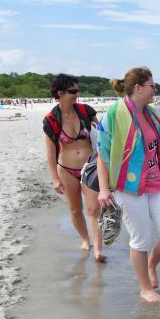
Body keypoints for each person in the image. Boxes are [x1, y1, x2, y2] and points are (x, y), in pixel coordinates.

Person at [96, 67, 160, 302]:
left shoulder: (150, 113)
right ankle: (145, 289)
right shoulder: (114, 114)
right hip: (128, 187)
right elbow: (102, 154)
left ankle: (151, 264)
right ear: (138, 88)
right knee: (141, 239)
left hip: (155, 183)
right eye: (152, 85)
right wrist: (103, 189)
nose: (155, 90)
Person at [42, 74, 105, 261]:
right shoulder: (51, 120)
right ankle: (85, 239)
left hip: (90, 168)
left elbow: (104, 134)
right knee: (76, 210)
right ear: (60, 93)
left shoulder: (86, 111)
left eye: (78, 90)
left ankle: (98, 250)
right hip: (66, 170)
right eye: (73, 91)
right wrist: (54, 178)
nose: (77, 94)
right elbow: (50, 153)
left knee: (94, 209)